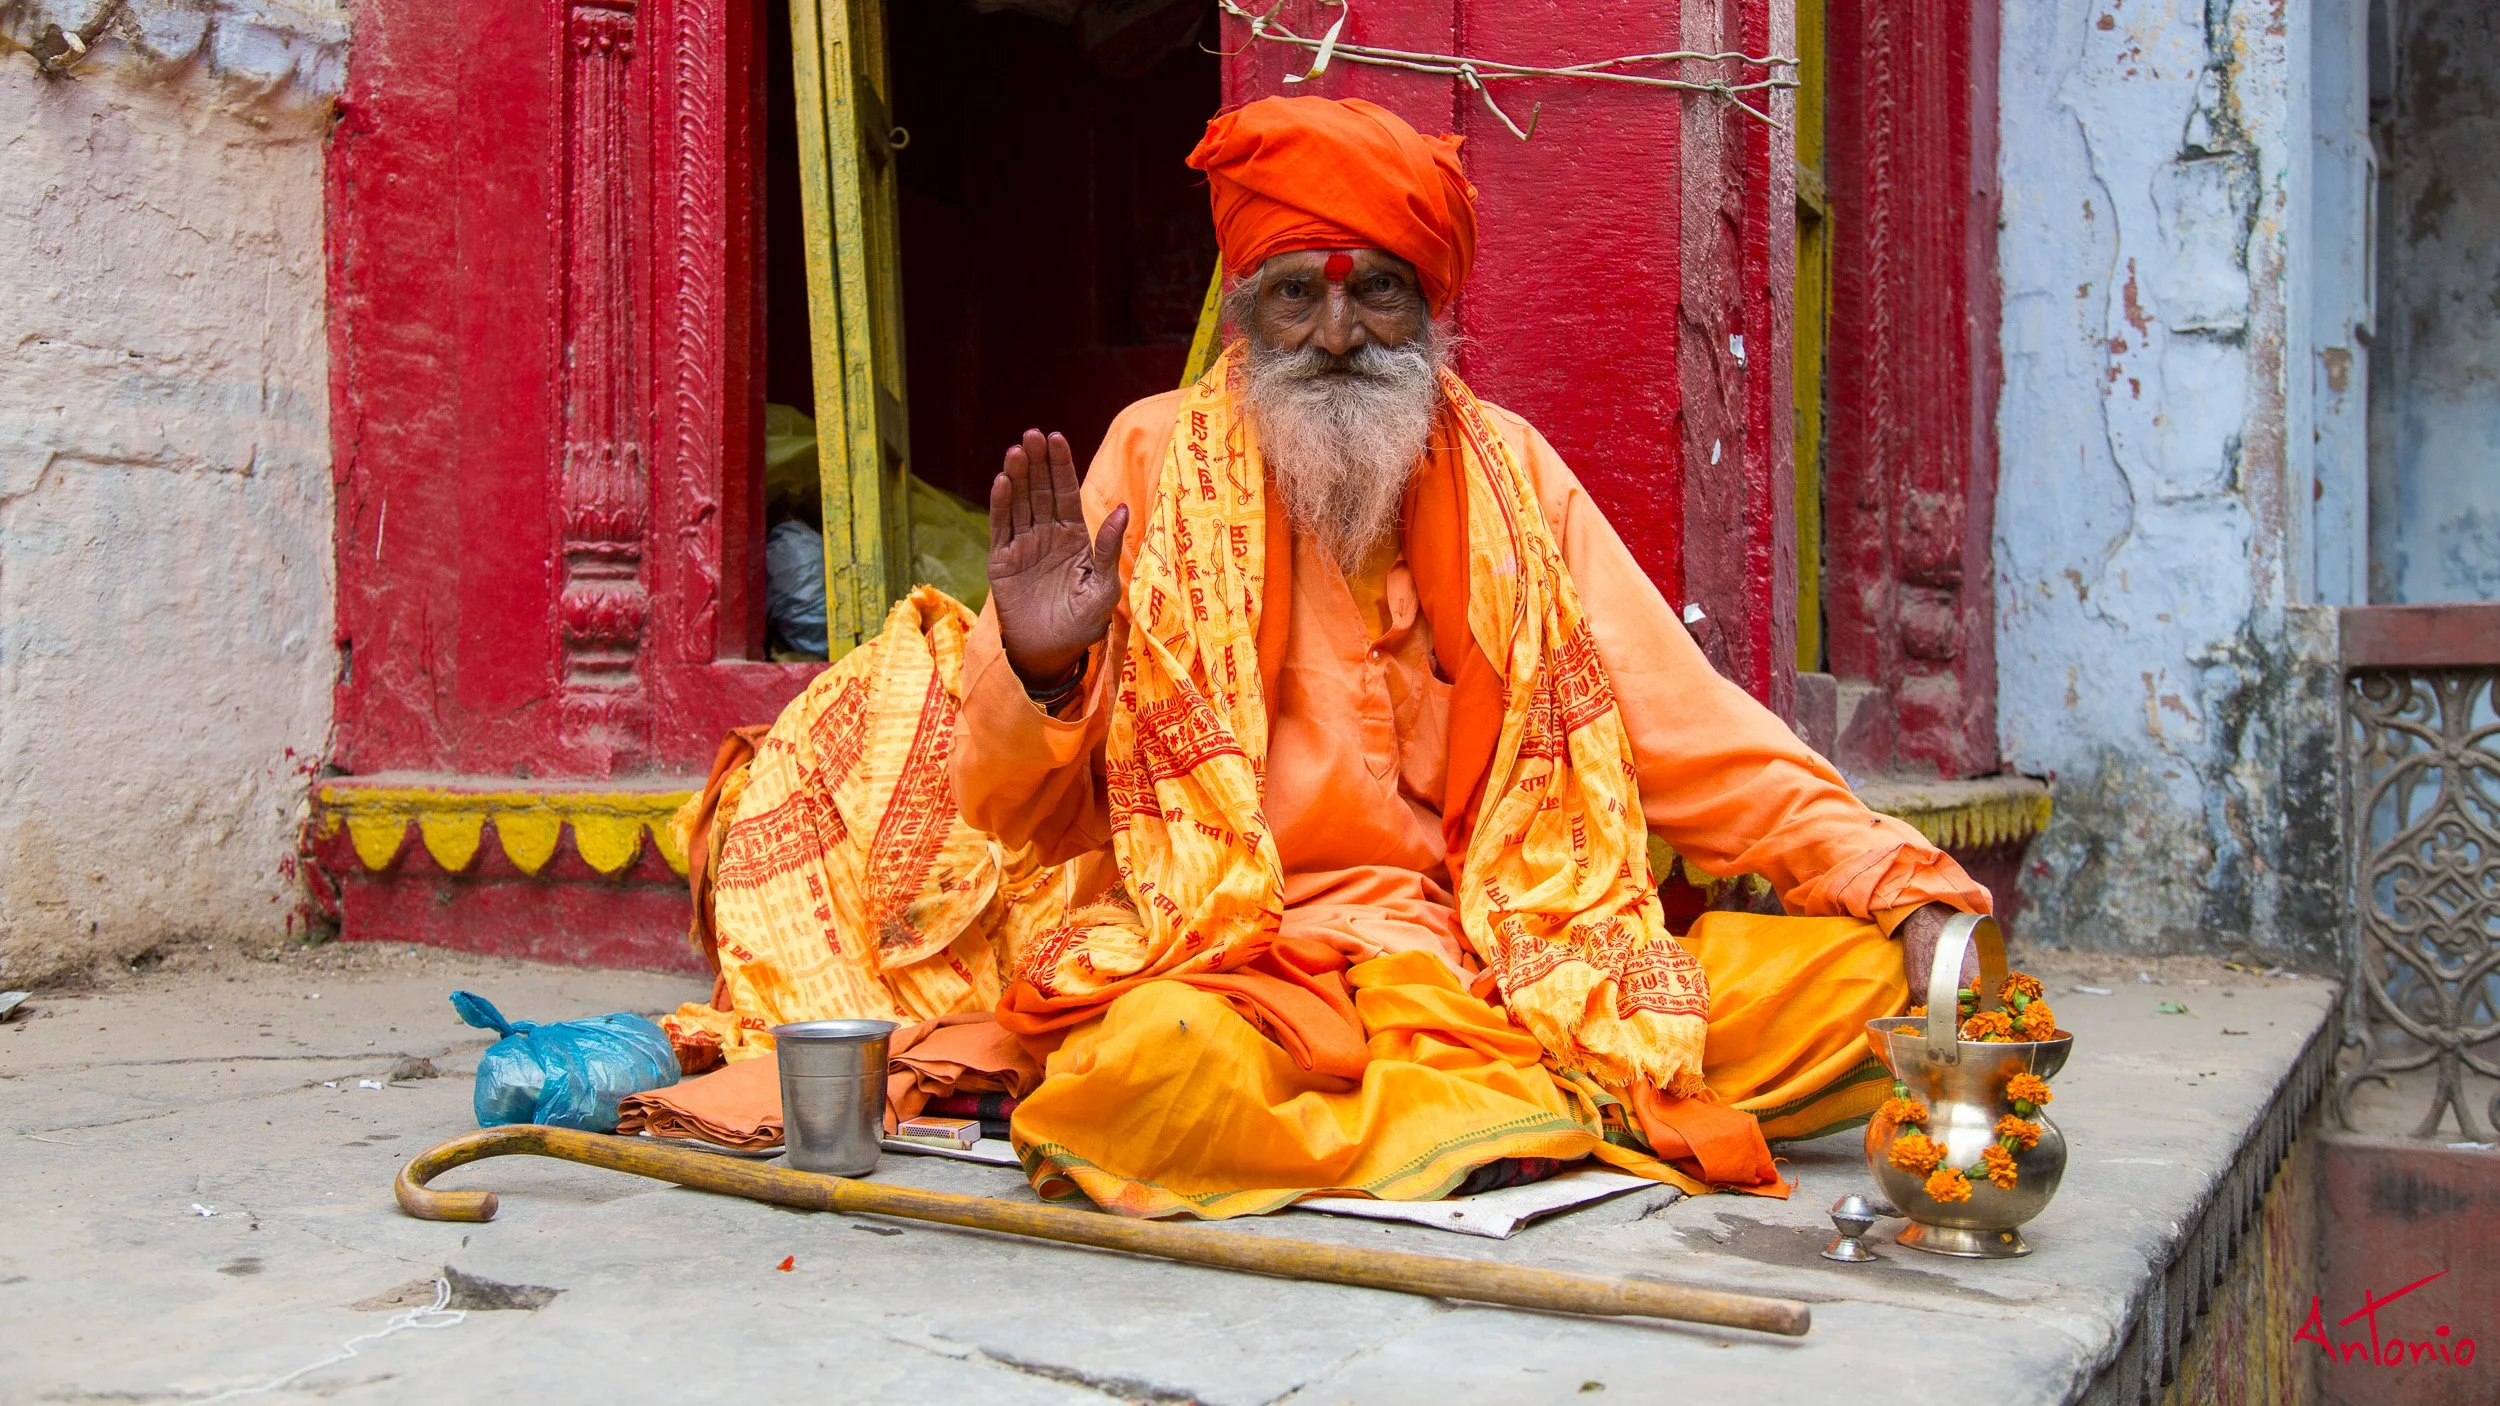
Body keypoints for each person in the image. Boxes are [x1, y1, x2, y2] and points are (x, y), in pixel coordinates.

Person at [666, 95, 1989, 1218]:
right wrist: (1039, 663)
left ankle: (1450, 1103)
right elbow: (1011, 811)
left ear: (1432, 308)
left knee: (1862, 987)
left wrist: (1891, 879)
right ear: (1245, 317)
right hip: (1234, 965)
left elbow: (1691, 728)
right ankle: (1484, 1113)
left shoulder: (1514, 475)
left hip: (1502, 956)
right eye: (1297, 296)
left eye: (1380, 295)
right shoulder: (1151, 460)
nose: (1340, 336)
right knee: (1137, 1071)